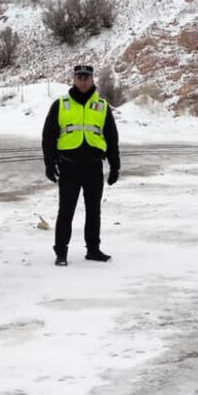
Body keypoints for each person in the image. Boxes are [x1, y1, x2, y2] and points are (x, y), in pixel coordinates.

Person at [41, 65, 120, 266]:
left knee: (94, 212)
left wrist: (115, 166)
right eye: (79, 77)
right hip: (69, 167)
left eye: (86, 78)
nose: (83, 81)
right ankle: (61, 252)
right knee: (65, 211)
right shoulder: (61, 104)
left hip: (93, 167)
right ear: (74, 79)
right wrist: (49, 164)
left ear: (92, 80)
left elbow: (112, 138)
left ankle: (93, 250)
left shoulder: (102, 106)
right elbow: (48, 136)